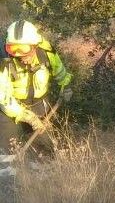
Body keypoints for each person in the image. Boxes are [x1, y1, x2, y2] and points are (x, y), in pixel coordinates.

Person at [0, 20, 73, 178]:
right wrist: (27, 117)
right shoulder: (3, 61)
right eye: (13, 49)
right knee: (8, 137)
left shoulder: (47, 53)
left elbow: (60, 72)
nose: (19, 54)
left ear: (34, 45)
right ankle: (8, 176)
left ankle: (43, 174)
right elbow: (3, 97)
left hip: (39, 102)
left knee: (44, 139)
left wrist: (66, 87)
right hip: (11, 105)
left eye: (24, 48)